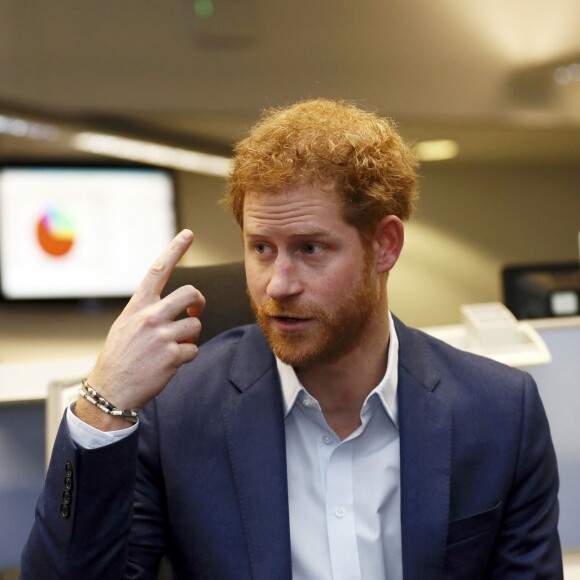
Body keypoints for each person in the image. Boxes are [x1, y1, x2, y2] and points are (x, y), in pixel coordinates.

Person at [21, 99, 562, 579]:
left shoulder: (497, 411)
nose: (278, 284)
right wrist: (103, 404)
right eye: (261, 248)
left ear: (385, 246)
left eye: (310, 248)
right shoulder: (178, 410)